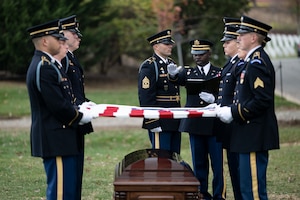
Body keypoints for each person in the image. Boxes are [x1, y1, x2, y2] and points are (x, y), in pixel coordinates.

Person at [26, 19, 95, 200]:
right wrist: (80, 115)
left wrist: (82, 107)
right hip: (55, 138)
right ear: (45, 41)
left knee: (69, 191)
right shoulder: (44, 66)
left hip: (63, 137)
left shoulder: (51, 64)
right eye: (58, 39)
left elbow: (66, 98)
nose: (62, 42)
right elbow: (57, 105)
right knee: (60, 193)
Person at [217, 15, 280, 200]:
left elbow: (262, 100)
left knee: (253, 190)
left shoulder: (257, 63)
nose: (238, 38)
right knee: (246, 189)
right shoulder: (250, 62)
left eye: (242, 35)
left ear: (253, 37)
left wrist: (233, 112)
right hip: (247, 134)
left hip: (254, 134)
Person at [168, 39, 225, 200]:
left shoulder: (218, 72)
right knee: (199, 163)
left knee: (217, 164)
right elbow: (177, 80)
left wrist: (214, 99)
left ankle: (219, 195)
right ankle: (202, 194)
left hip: (214, 125)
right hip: (195, 124)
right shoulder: (188, 72)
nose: (197, 57)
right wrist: (172, 75)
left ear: (209, 53)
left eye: (200, 54)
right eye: (194, 54)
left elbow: (225, 95)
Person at [138, 29, 181, 154]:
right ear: (156, 46)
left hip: (174, 118)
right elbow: (146, 96)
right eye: (166, 44)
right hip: (160, 120)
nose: (170, 46)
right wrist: (152, 121)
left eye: (170, 43)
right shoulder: (150, 66)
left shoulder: (172, 63)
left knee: (175, 157)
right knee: (162, 158)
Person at [215, 17, 243, 200]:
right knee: (233, 167)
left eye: (227, 42)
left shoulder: (239, 64)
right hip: (229, 124)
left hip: (236, 122)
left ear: (237, 42)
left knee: (238, 169)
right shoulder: (231, 63)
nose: (224, 45)